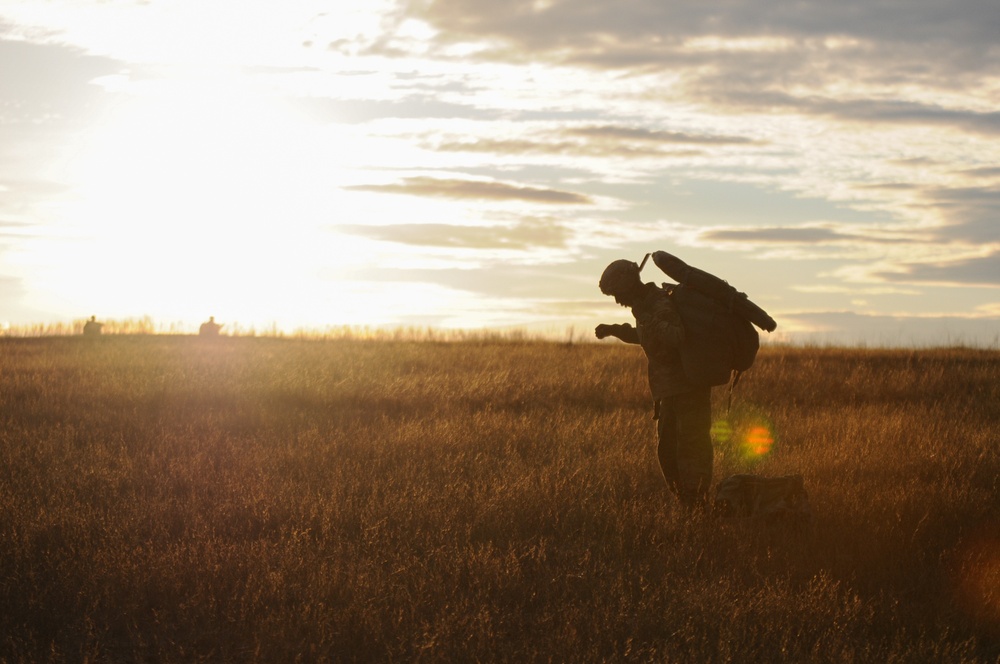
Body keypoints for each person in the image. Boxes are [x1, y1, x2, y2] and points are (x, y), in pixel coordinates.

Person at [595, 256, 714, 509]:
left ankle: (698, 509)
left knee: (691, 452)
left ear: (629, 284)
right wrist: (615, 329)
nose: (618, 301)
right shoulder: (645, 306)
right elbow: (646, 336)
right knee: (668, 454)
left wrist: (646, 317)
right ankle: (688, 507)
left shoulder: (659, 303)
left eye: (617, 294)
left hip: (689, 390)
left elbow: (675, 336)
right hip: (669, 392)